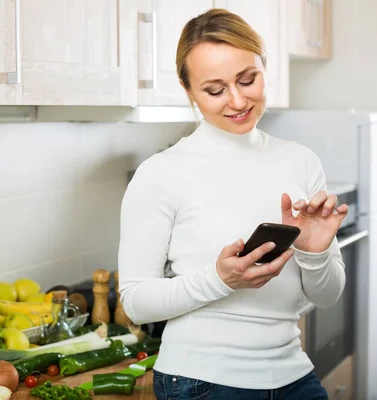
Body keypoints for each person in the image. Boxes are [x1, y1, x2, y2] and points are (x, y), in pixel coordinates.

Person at [117, 8, 348, 400]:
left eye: (248, 79)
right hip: (200, 383)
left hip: (293, 377)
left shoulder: (301, 161)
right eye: (215, 89)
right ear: (188, 89)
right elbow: (136, 302)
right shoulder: (161, 173)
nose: (238, 100)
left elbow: (326, 296)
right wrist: (220, 280)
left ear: (263, 67)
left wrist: (316, 252)